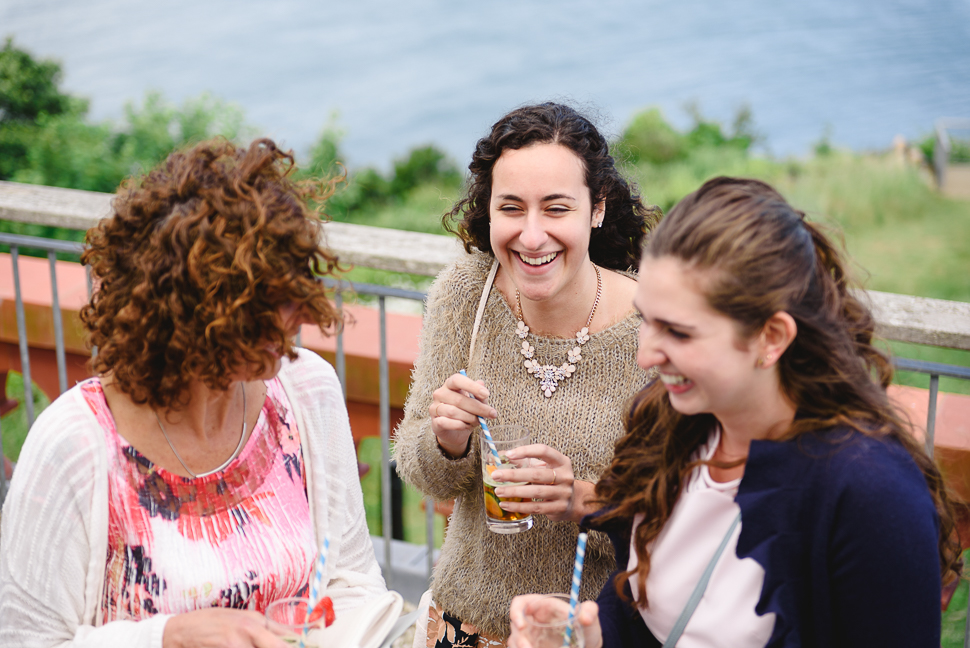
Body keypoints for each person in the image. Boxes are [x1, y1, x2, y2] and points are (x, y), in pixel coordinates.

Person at [508, 177, 960, 648]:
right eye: (646, 320)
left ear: (771, 337)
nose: (647, 355)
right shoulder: (669, 423)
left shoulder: (871, 495)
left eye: (679, 332)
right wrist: (589, 637)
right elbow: (648, 610)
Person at [0, 138, 387, 647]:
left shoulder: (306, 392)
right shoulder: (74, 445)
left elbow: (353, 584)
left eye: (296, 291)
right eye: (264, 302)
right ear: (186, 311)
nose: (300, 317)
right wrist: (166, 638)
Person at [393, 102, 660, 646]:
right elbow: (425, 474)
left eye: (556, 208)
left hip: (596, 636)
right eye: (511, 208)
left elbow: (687, 507)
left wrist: (584, 498)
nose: (532, 236)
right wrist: (446, 440)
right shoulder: (465, 295)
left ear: (597, 209)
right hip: (460, 629)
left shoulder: (655, 323)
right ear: (488, 211)